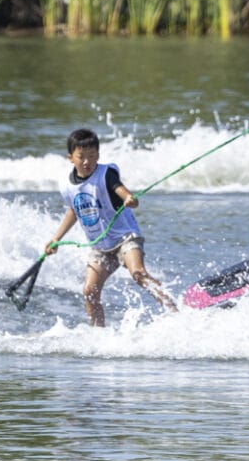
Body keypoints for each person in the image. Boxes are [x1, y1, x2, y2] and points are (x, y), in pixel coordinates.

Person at [44, 128, 176, 326]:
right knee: (89, 291)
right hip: (100, 247)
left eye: (92, 156)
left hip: (125, 238)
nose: (87, 162)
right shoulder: (67, 186)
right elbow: (74, 211)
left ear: (98, 155)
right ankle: (98, 333)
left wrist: (129, 199)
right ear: (71, 158)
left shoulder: (106, 174)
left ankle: (175, 310)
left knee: (138, 274)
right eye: (82, 157)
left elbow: (121, 191)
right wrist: (57, 238)